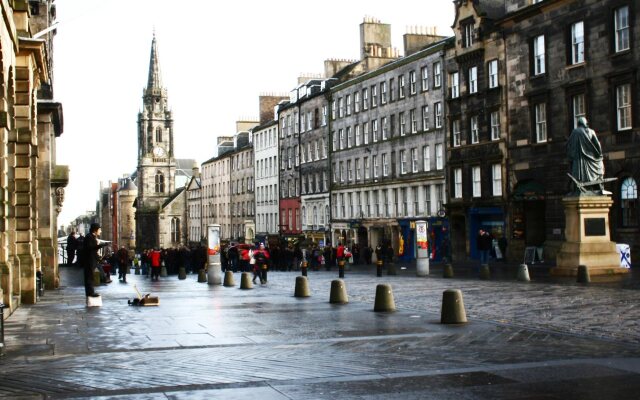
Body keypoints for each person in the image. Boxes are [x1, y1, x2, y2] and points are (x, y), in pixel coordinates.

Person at [566, 117, 605, 194]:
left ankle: (577, 190)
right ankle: (593, 187)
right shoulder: (591, 131)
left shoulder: (575, 132)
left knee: (577, 174)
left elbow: (568, 145)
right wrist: (599, 156)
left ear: (578, 124)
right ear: (585, 123)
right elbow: (598, 145)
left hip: (578, 160)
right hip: (590, 159)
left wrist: (571, 155)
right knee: (599, 168)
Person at [79, 223, 108, 297]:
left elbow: (93, 250)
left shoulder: (91, 236)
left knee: (91, 276)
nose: (100, 231)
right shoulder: (89, 237)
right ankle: (90, 292)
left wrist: (99, 259)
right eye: (99, 229)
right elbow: (90, 248)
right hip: (89, 260)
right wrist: (101, 245)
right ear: (95, 230)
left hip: (92, 259)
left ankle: (91, 291)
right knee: (89, 276)